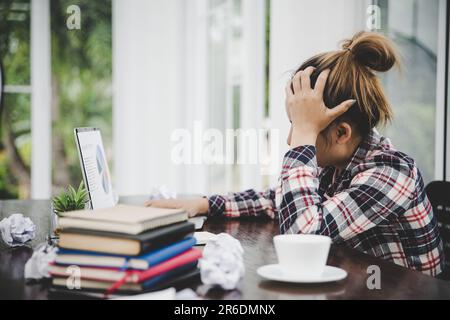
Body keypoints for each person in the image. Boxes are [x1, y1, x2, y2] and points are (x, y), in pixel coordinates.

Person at [145, 31, 444, 276]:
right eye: (295, 128)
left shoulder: (393, 173)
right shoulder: (339, 164)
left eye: (301, 129)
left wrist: (303, 141)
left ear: (341, 133)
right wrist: (201, 204)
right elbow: (279, 201)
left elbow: (303, 235)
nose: (291, 138)